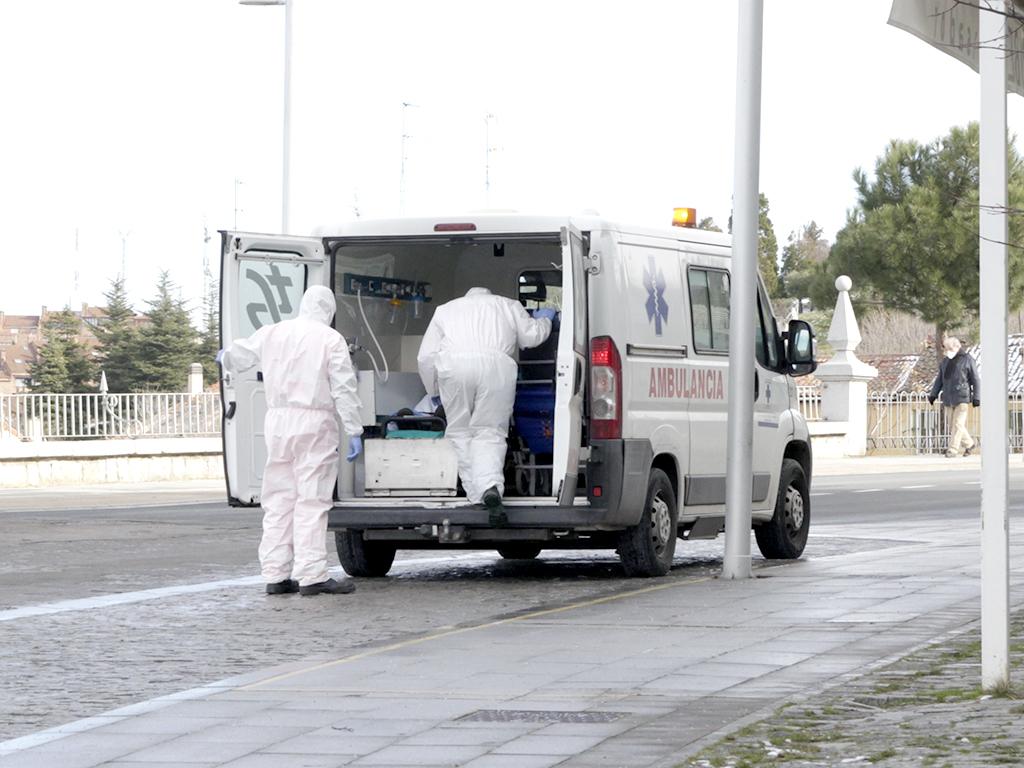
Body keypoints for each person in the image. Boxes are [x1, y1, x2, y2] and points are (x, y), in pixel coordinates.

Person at [219, 285, 363, 596]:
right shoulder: (330, 338)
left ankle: (276, 575)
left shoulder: (274, 331)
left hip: (278, 420)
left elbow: (238, 355)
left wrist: (226, 357)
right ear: (329, 311)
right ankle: (312, 576)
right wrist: (354, 430)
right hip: (315, 421)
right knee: (312, 499)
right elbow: (343, 388)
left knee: (279, 498)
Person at [417, 287, 555, 525]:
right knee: (489, 431)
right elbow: (531, 337)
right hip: (496, 367)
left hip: (455, 367)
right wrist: (545, 319)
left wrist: (434, 390)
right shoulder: (508, 305)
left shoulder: (445, 310)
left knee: (460, 431)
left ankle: (476, 494)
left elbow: (425, 356)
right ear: (489, 295)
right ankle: (489, 486)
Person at [928, 337, 980, 458]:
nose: (948, 351)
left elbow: (975, 379)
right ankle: (969, 444)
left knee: (957, 424)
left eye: (950, 349)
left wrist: (976, 397)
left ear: (957, 347)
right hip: (948, 397)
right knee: (953, 425)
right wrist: (933, 394)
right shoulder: (946, 361)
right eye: (946, 349)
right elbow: (940, 379)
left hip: (962, 397)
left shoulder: (968, 359)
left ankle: (952, 450)